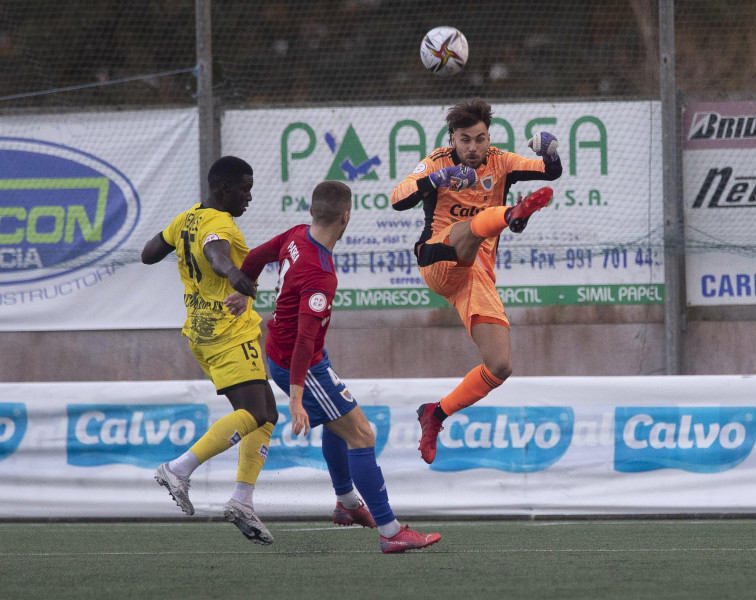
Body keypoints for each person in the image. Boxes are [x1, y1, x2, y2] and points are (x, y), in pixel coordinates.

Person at [225, 180, 442, 554]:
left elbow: (257, 257)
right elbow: (304, 343)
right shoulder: (320, 275)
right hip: (301, 365)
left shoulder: (296, 235)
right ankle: (390, 532)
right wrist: (296, 400)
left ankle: (346, 503)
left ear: (311, 212)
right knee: (362, 435)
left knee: (340, 425)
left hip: (290, 354)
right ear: (347, 216)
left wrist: (243, 291)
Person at [390, 97, 563, 464]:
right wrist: (435, 179)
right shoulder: (437, 162)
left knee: (500, 366)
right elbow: (397, 198)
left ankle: (435, 413)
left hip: (475, 276)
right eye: (465, 139)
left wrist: (550, 152)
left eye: (480, 139)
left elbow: (549, 173)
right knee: (470, 229)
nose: (473, 147)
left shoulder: (501, 161)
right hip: (437, 258)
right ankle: (510, 215)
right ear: (452, 138)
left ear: (489, 138)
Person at [141, 155, 278, 545]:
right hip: (227, 332)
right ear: (223, 190)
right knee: (254, 413)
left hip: (201, 330)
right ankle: (180, 469)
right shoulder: (218, 223)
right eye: (244, 189)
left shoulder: (186, 219)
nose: (249, 197)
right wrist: (233, 272)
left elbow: (148, 253)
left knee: (266, 415)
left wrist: (180, 245)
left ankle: (242, 499)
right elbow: (217, 251)